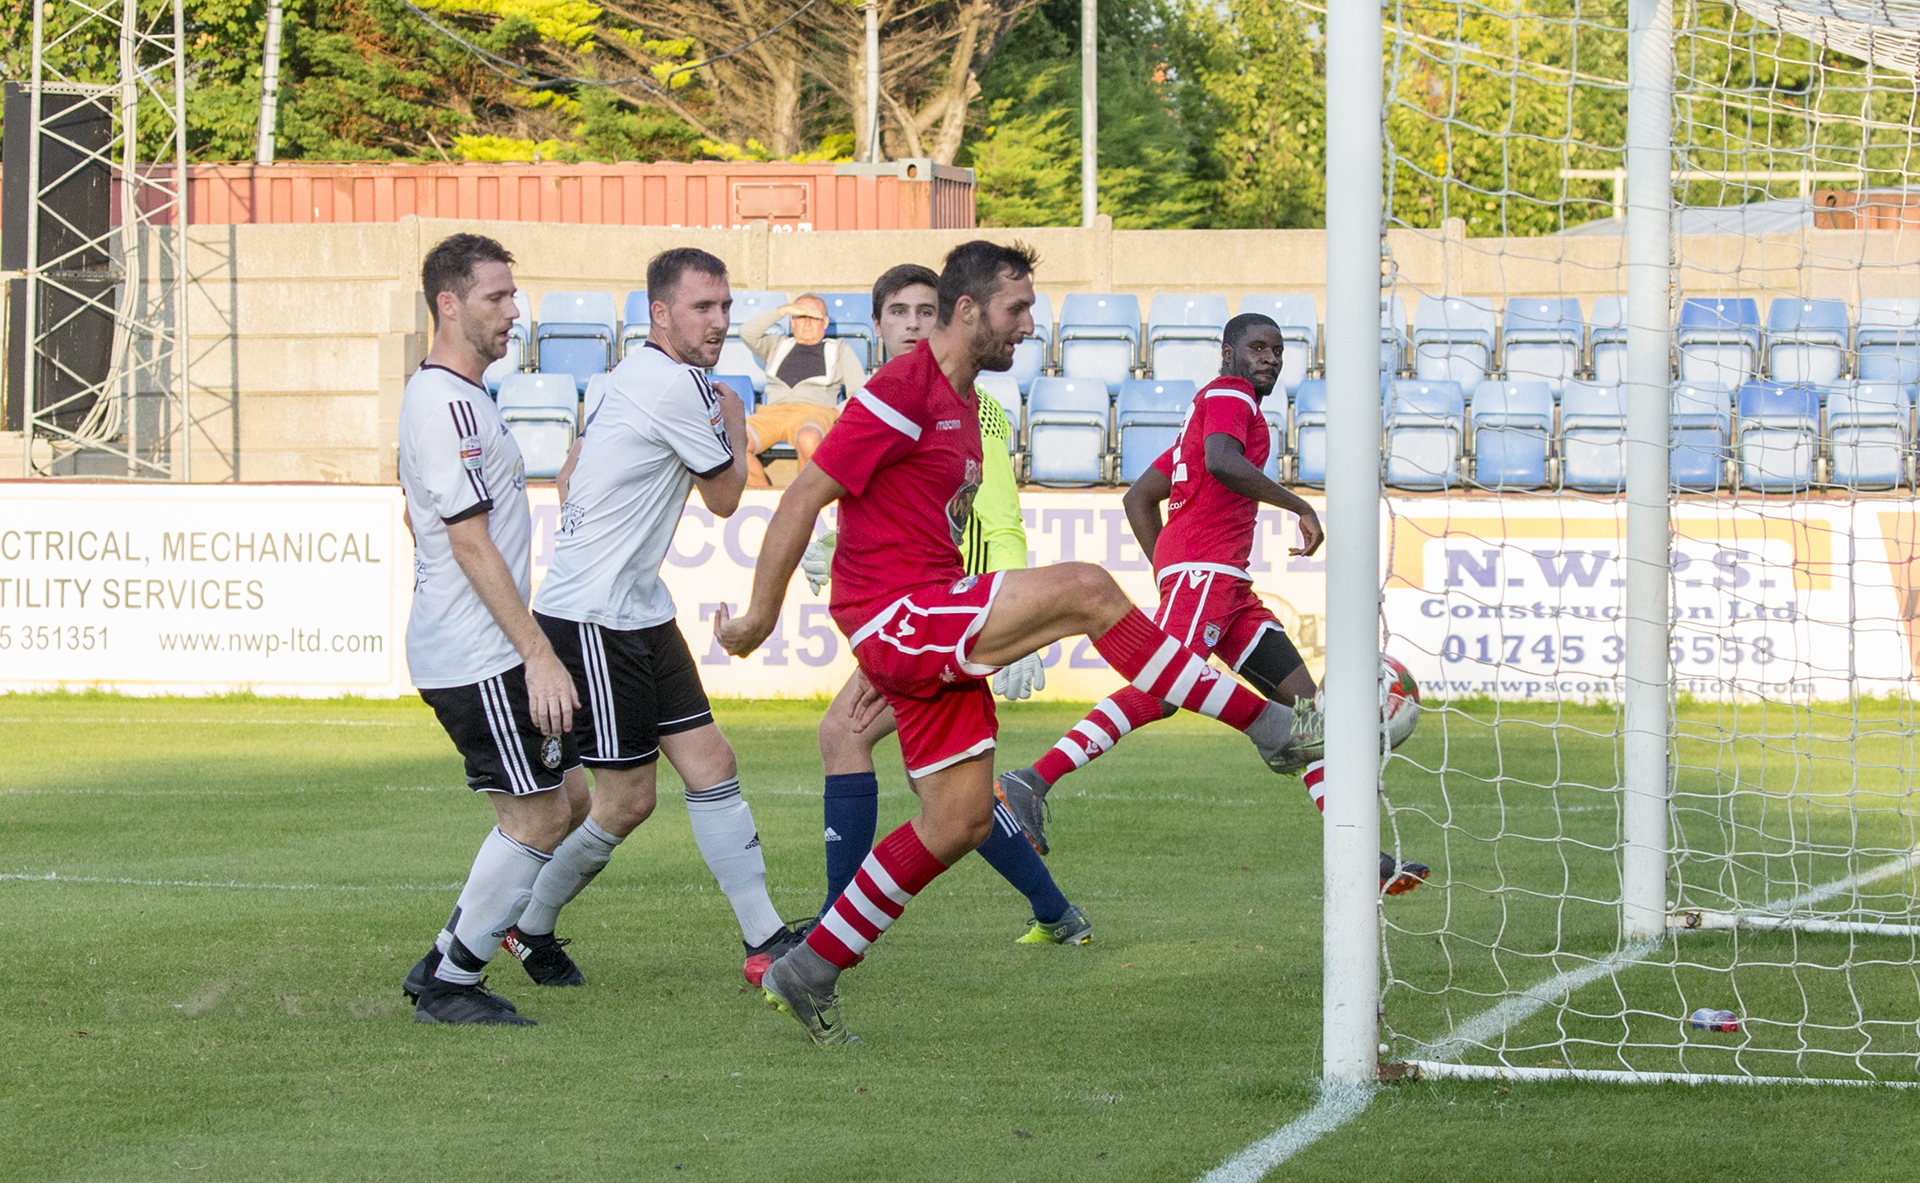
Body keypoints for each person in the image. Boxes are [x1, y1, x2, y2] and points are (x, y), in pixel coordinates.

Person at [716, 241, 1318, 1045]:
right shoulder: (904, 389)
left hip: (924, 615)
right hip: (899, 610)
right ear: (967, 310)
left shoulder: (969, 409)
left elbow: (925, 515)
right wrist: (761, 616)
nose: (1029, 327)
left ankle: (811, 966)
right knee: (1088, 589)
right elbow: (805, 496)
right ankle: (1273, 729)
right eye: (1016, 310)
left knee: (959, 819)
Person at [992, 314, 1429, 897]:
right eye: (1257, 347)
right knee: (1163, 690)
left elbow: (1139, 498)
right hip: (1209, 572)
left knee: (1309, 716)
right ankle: (1031, 781)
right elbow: (1223, 461)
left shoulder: (1209, 413)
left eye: (1278, 349)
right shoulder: (1229, 395)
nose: (1270, 358)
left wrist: (1169, 570)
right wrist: (1294, 506)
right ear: (1228, 352)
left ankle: (1363, 861)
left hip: (1224, 585)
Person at [515, 247, 805, 990]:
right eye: (702, 308)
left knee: (713, 764)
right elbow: (726, 497)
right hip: (592, 616)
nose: (719, 321)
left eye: (725, 306)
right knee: (624, 801)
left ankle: (765, 937)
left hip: (637, 605)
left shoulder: (626, 377)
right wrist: (739, 421)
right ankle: (526, 924)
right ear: (661, 313)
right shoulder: (679, 388)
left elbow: (571, 471)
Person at [799, 263, 1090, 949]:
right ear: (875, 325)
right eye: (897, 311)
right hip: (921, 610)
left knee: (857, 741)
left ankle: (836, 924)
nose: (911, 324)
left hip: (950, 616)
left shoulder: (971, 404)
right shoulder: (884, 396)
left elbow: (997, 516)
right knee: (953, 791)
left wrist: (1023, 622)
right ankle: (1055, 912)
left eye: (925, 312)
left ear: (952, 319)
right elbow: (913, 509)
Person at [396, 232, 587, 1026]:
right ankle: (453, 980)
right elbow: (467, 539)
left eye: (513, 294)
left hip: (482, 643)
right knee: (539, 814)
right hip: (479, 652)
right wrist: (536, 652)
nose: (515, 311)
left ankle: (449, 948)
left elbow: (414, 511)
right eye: (497, 297)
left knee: (570, 796)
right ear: (449, 303)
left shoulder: (462, 396)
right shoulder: (443, 402)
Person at [739, 293, 867, 486]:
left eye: (813, 316)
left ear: (824, 323)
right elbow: (747, 332)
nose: (807, 322)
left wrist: (835, 412)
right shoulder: (777, 345)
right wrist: (784, 309)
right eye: (800, 316)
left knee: (809, 439)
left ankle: (802, 504)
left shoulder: (839, 350)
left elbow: (859, 391)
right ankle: (765, 499)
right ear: (792, 322)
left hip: (814, 413)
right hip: (772, 413)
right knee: (731, 442)